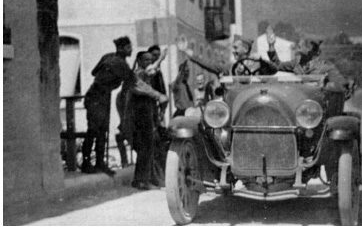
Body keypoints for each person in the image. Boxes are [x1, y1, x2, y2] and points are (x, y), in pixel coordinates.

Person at [81, 36, 145, 174]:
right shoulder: (120, 64)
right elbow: (132, 81)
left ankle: (99, 162)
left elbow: (94, 72)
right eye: (128, 47)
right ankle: (86, 163)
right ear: (121, 49)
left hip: (100, 95)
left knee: (102, 130)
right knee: (94, 130)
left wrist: (108, 75)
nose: (131, 49)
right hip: (97, 96)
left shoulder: (108, 57)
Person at [125, 51, 168, 190]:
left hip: (147, 115)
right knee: (145, 147)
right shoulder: (137, 74)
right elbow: (141, 87)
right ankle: (141, 180)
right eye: (146, 60)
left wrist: (160, 60)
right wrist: (158, 95)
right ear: (139, 60)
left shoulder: (144, 73)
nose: (149, 62)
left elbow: (152, 70)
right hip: (139, 116)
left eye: (151, 60)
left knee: (149, 147)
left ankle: (146, 178)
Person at [265, 26, 348, 92]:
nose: (297, 46)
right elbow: (277, 65)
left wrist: (323, 85)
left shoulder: (326, 66)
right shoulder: (296, 63)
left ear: (309, 48)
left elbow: (342, 85)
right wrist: (271, 45)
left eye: (300, 44)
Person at [176, 34, 278, 77]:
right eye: (233, 48)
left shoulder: (258, 65)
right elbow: (206, 62)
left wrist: (262, 60)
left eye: (236, 48)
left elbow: (274, 69)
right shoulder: (229, 67)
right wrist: (186, 50)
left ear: (246, 49)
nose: (233, 51)